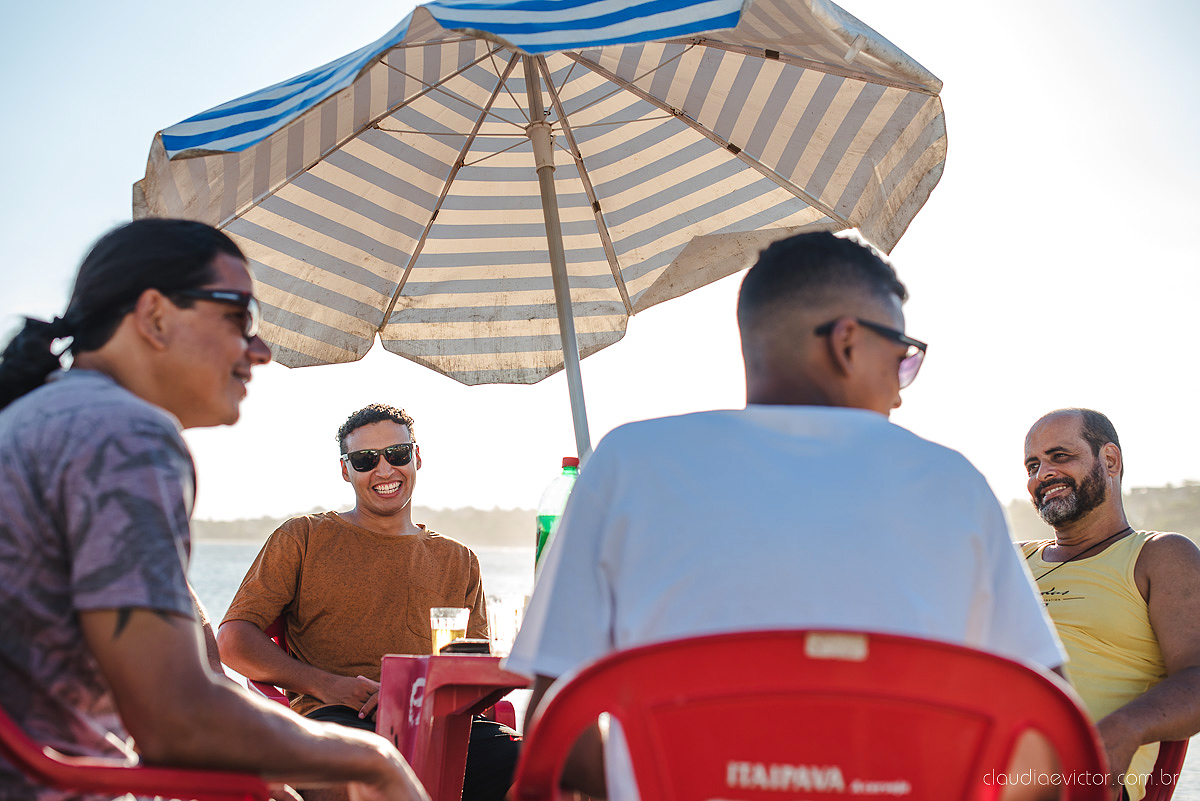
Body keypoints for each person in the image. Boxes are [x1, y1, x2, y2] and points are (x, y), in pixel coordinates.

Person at [504, 231, 1066, 800]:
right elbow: (1048, 741)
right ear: (847, 344)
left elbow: (556, 727)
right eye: (902, 359)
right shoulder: (953, 485)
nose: (900, 393)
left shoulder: (626, 464)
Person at [0, 219, 427, 801]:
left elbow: (201, 668)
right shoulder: (124, 436)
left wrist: (276, 761)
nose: (261, 349)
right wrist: (372, 759)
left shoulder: (52, 420)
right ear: (154, 317)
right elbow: (176, 718)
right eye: (238, 317)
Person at [217, 404, 520, 801]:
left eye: (397, 454)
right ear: (346, 470)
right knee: (361, 784)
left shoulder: (458, 559)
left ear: (417, 457)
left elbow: (476, 668)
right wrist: (329, 686)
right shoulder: (303, 537)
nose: (384, 470)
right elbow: (233, 641)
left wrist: (424, 692)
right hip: (337, 718)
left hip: (440, 726)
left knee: (554, 765)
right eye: (365, 459)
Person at [1021, 409, 1200, 800]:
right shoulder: (1010, 559)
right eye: (1033, 465)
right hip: (975, 758)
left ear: (1110, 461)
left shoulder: (1158, 555)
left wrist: (1123, 728)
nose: (1042, 474)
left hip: (1076, 780)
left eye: (1060, 456)